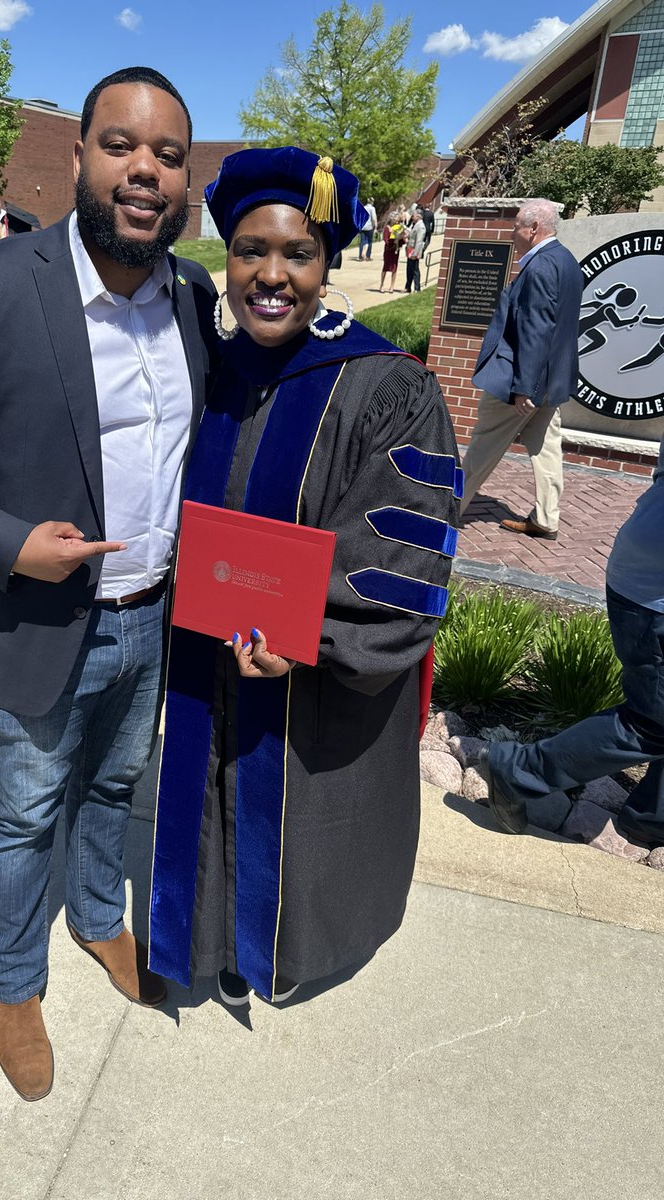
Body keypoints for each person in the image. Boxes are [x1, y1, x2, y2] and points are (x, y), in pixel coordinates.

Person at [0, 66, 215, 1102]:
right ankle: (15, 990)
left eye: (166, 154)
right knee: (23, 816)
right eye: (121, 145)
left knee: (113, 786)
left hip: (154, 617)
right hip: (35, 617)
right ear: (78, 157)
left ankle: (100, 918)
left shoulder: (191, 297)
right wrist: (8, 541)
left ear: (184, 179)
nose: (144, 171)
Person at [148, 147, 460, 1008]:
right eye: (250, 251)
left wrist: (309, 638)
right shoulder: (212, 373)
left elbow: (403, 554)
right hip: (206, 658)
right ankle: (205, 934)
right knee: (206, 783)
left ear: (327, 262)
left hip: (308, 673)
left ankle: (283, 946)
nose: (272, 275)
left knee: (291, 810)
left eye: (298, 252)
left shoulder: (388, 388)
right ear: (228, 260)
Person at [482, 433, 664, 849]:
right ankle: (517, 772)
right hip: (654, 593)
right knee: (653, 723)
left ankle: (653, 819)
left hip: (643, 569)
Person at [460, 199, 582, 540]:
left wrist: (523, 388)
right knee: (546, 449)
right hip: (551, 381)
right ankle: (547, 517)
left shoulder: (541, 267)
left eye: (516, 226)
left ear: (533, 229)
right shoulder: (567, 261)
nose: (512, 232)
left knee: (483, 445)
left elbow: (535, 330)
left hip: (520, 381)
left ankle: (447, 510)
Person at [379, 211, 404, 293]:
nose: (397, 221)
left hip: (395, 250)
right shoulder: (387, 228)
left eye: (397, 219)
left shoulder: (399, 227)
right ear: (391, 219)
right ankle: (381, 285)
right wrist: (392, 240)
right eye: (395, 219)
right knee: (385, 267)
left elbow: (402, 238)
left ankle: (392, 286)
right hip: (388, 250)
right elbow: (385, 239)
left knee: (394, 268)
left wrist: (400, 239)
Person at [404, 206, 426, 293]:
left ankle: (417, 288)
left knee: (415, 270)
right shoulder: (415, 225)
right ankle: (408, 287)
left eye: (413, 216)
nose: (412, 217)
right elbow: (412, 235)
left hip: (414, 251)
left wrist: (415, 254)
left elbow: (419, 242)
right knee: (409, 269)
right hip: (410, 249)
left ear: (418, 216)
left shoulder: (421, 227)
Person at [357, 194, 377, 261]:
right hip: (369, 227)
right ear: (372, 202)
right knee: (369, 241)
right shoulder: (372, 208)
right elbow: (373, 218)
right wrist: (375, 226)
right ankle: (368, 256)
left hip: (363, 226)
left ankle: (360, 256)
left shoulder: (364, 207)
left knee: (362, 241)